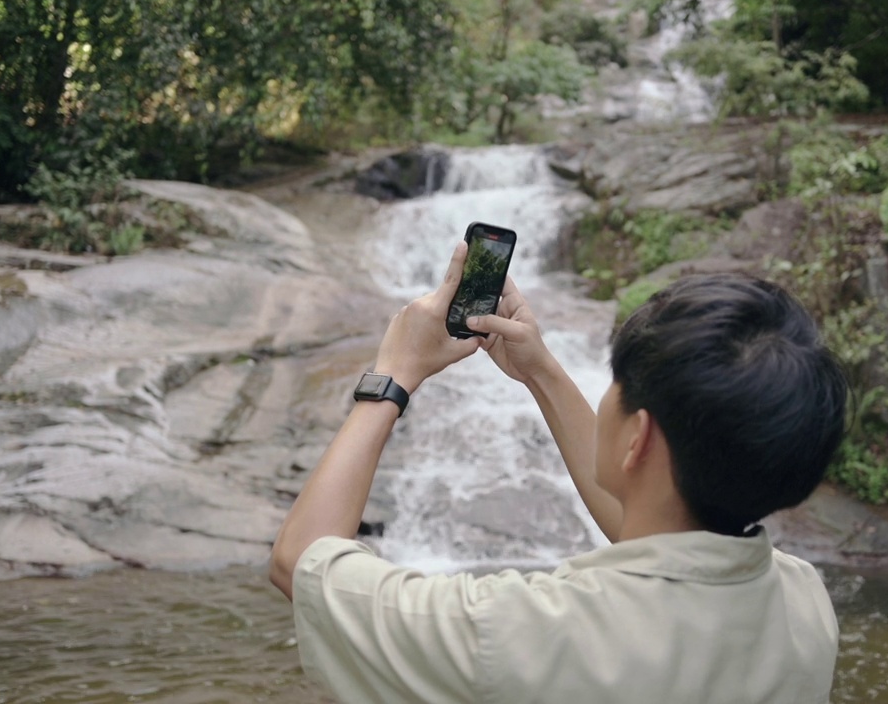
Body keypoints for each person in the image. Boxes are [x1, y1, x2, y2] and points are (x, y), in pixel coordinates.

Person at [269, 241, 848, 703]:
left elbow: (302, 560)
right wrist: (540, 370)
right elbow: (661, 532)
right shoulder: (802, 605)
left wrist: (392, 375)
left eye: (614, 386)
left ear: (638, 437)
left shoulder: (520, 630)